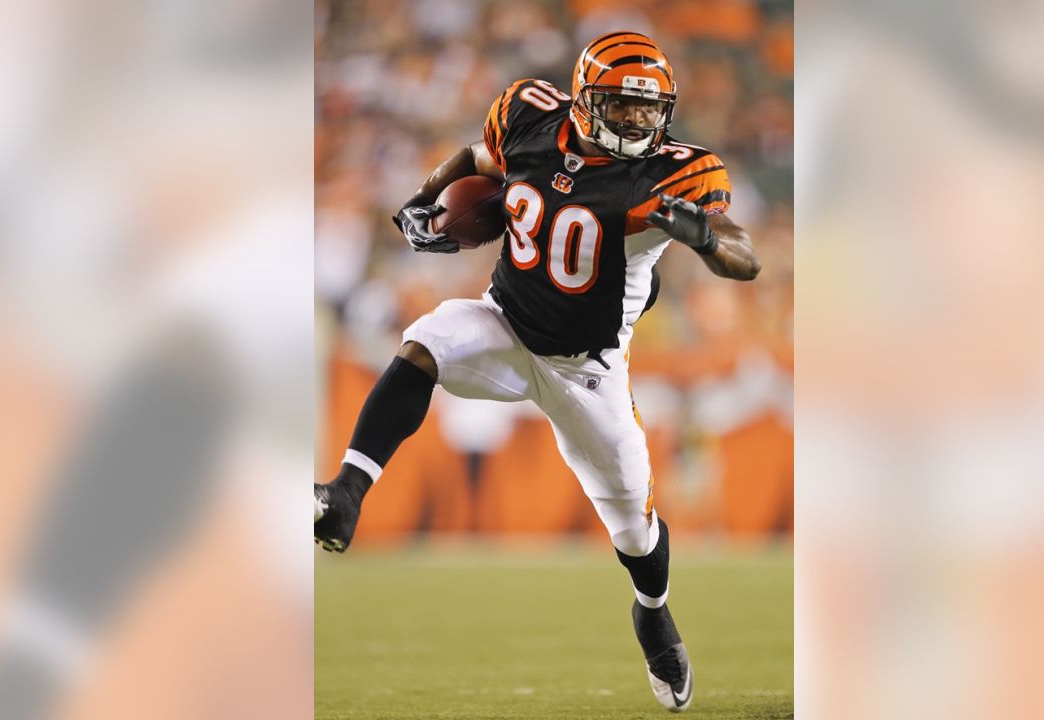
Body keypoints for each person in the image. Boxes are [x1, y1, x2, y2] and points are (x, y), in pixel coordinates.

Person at [315, 31, 762, 713]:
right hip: (506, 323)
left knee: (635, 530)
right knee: (424, 341)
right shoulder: (530, 116)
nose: (638, 121)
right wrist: (425, 196)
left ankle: (653, 613)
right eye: (622, 105)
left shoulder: (673, 174)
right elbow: (479, 156)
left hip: (588, 370)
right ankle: (347, 491)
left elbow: (743, 255)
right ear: (584, 101)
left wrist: (702, 235)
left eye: (649, 109)